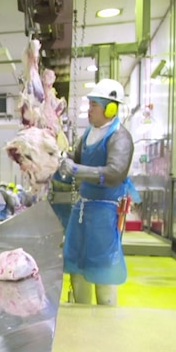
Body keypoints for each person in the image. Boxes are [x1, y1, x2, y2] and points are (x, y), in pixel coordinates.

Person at [59, 78, 134, 306]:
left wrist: (78, 170)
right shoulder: (88, 135)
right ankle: (81, 314)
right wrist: (62, 159)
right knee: (77, 264)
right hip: (82, 209)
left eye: (93, 105)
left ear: (111, 108)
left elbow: (115, 173)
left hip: (103, 211)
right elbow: (77, 158)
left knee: (102, 268)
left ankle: (105, 319)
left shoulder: (120, 137)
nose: (89, 109)